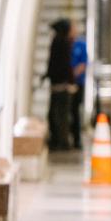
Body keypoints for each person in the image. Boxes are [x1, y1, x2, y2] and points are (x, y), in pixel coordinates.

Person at [45, 18, 75, 151]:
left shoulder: (58, 42)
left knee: (56, 114)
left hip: (58, 84)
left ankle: (59, 141)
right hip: (62, 84)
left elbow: (56, 64)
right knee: (61, 114)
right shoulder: (64, 43)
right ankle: (62, 141)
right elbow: (66, 65)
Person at [70, 22, 88, 149]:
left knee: (75, 111)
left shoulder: (81, 44)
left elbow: (83, 64)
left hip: (78, 83)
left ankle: (77, 140)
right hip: (67, 84)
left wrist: (73, 76)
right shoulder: (66, 43)